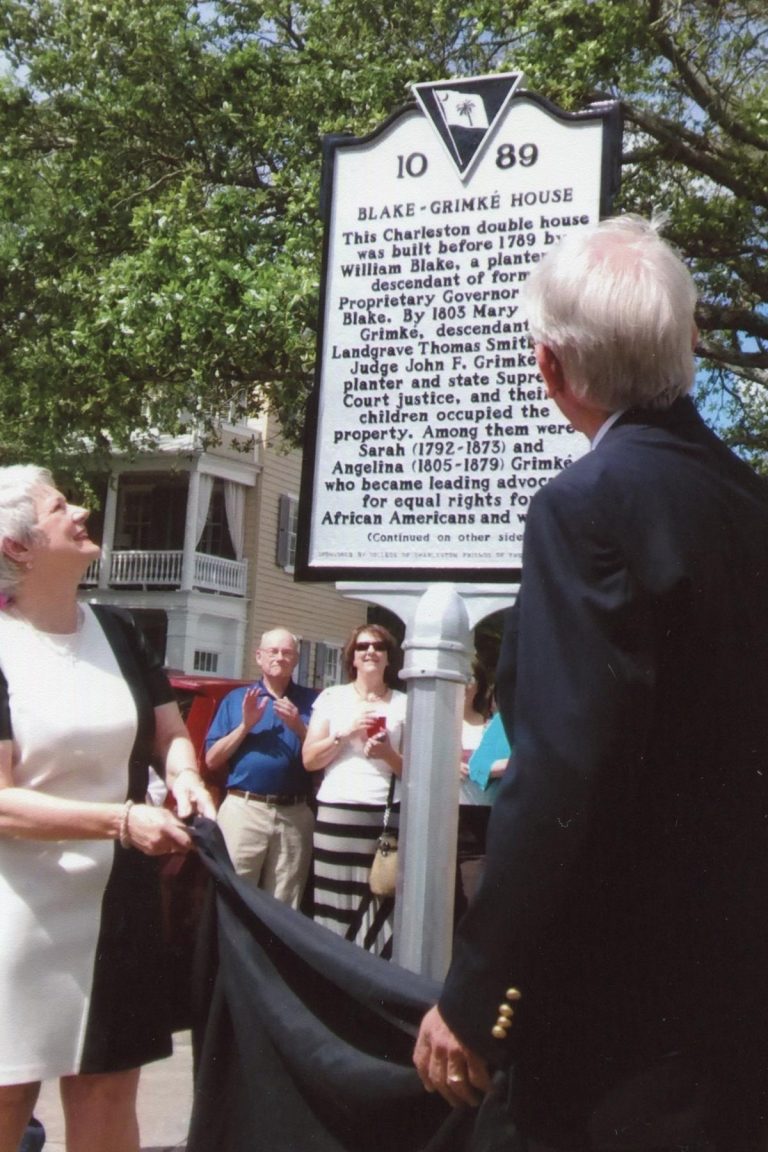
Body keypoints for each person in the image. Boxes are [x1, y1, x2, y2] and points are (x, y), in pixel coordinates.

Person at [413, 216, 768, 1152]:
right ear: (691, 346)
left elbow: (567, 774)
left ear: (550, 368)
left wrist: (479, 994)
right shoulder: (750, 505)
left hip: (618, 1015)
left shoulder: (585, 509)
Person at [0, 464, 216, 1152]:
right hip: (16, 914)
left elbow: (169, 736)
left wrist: (185, 777)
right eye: (62, 506)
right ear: (17, 547)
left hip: (119, 902)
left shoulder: (121, 630)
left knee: (108, 1092)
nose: (83, 512)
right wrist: (122, 820)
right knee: (5, 1097)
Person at [303, 624, 406, 958]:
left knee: (383, 899)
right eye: (363, 647)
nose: (370, 652)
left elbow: (416, 773)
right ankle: (335, 976)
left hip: (386, 816)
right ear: (353, 657)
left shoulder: (406, 704)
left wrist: (387, 752)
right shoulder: (332, 698)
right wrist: (344, 733)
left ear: (389, 657)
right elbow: (309, 760)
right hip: (337, 813)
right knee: (334, 901)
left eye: (378, 646)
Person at [204, 628, 317, 909]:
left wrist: (299, 727)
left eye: (287, 652)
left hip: (294, 813)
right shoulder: (238, 699)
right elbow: (212, 759)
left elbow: (323, 756)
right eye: (273, 651)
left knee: (285, 906)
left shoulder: (312, 702)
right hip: (245, 810)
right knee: (234, 898)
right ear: (259, 656)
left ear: (296, 659)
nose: (280, 657)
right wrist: (245, 725)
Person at [455, 663, 494, 917]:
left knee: (473, 908)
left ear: (478, 685)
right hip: (443, 821)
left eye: (469, 677)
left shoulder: (491, 727)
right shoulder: (433, 725)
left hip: (479, 824)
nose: (464, 684)